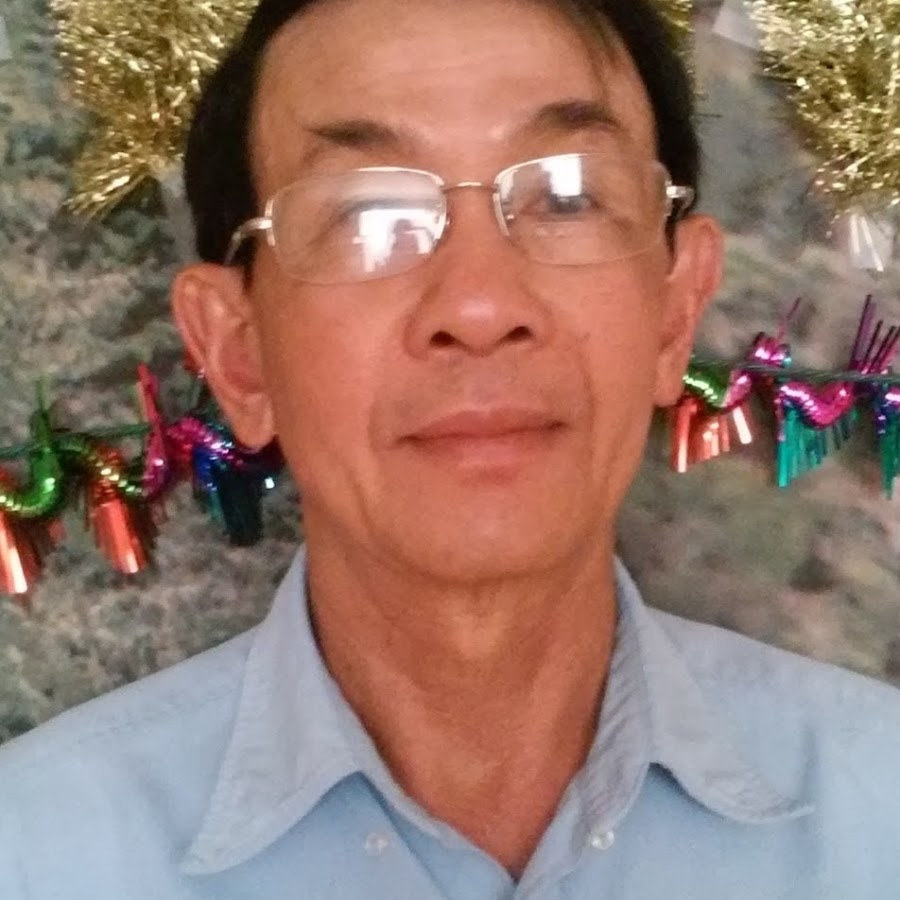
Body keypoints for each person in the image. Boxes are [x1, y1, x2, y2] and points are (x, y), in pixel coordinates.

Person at [2, 0, 899, 895]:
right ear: (239, 354)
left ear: (675, 309)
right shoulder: (39, 855)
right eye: (366, 212)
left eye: (566, 198)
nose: (478, 306)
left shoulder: (876, 813)